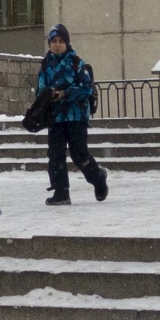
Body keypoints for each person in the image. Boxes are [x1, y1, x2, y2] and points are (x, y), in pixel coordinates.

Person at [36, 24, 107, 205]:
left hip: (76, 117)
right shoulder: (45, 66)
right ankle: (61, 192)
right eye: (54, 41)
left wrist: (65, 93)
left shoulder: (77, 63)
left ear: (67, 43)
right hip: (55, 118)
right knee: (55, 155)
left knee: (79, 154)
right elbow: (40, 90)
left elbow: (85, 88)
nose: (57, 45)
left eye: (61, 41)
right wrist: (47, 96)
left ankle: (98, 178)